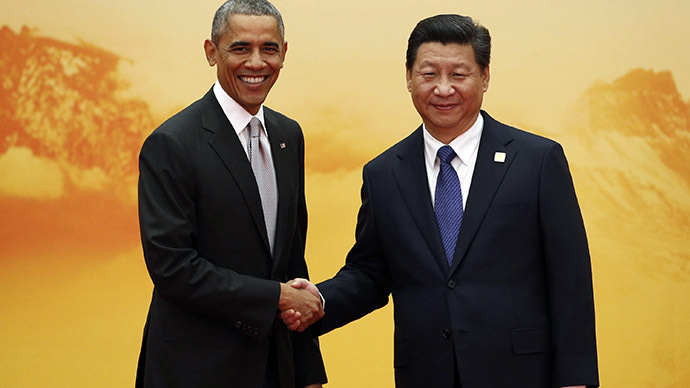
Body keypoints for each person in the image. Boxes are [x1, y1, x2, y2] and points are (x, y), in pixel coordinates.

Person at [283, 14, 598, 388]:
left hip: (521, 374)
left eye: (459, 75)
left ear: (484, 77)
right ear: (408, 77)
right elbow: (370, 272)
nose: (443, 89)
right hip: (426, 374)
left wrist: (576, 380)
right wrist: (319, 299)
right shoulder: (384, 173)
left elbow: (570, 282)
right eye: (429, 74)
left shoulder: (536, 160)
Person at [135, 1, 326, 387]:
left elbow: (291, 265)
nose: (256, 63)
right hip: (195, 370)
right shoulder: (172, 143)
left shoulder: (289, 136)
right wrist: (276, 297)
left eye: (269, 49)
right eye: (240, 48)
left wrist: (308, 373)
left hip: (275, 369)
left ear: (284, 54)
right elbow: (173, 269)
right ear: (211, 52)